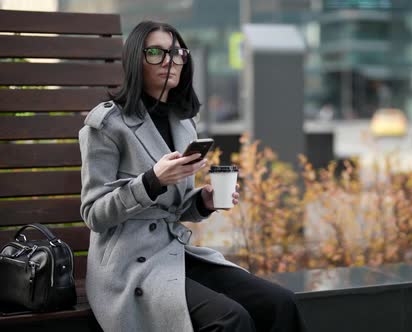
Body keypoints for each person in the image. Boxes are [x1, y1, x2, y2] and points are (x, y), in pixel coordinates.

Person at [79, 21, 307, 332]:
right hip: (129, 266)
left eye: (176, 53)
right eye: (157, 52)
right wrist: (152, 180)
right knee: (230, 319)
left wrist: (203, 201)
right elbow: (94, 214)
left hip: (174, 252)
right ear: (136, 59)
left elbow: (171, 210)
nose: (170, 61)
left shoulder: (182, 121)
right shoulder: (107, 125)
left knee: (281, 302)